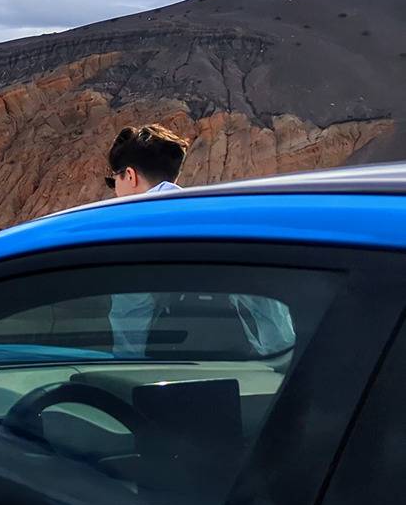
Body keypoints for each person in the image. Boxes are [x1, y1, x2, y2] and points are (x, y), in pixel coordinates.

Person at [102, 123, 295, 357]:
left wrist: (126, 366)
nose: (115, 190)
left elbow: (131, 312)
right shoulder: (223, 222)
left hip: (164, 374)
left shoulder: (133, 231)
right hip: (246, 371)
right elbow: (266, 303)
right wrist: (279, 360)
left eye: (113, 181)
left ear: (130, 175)